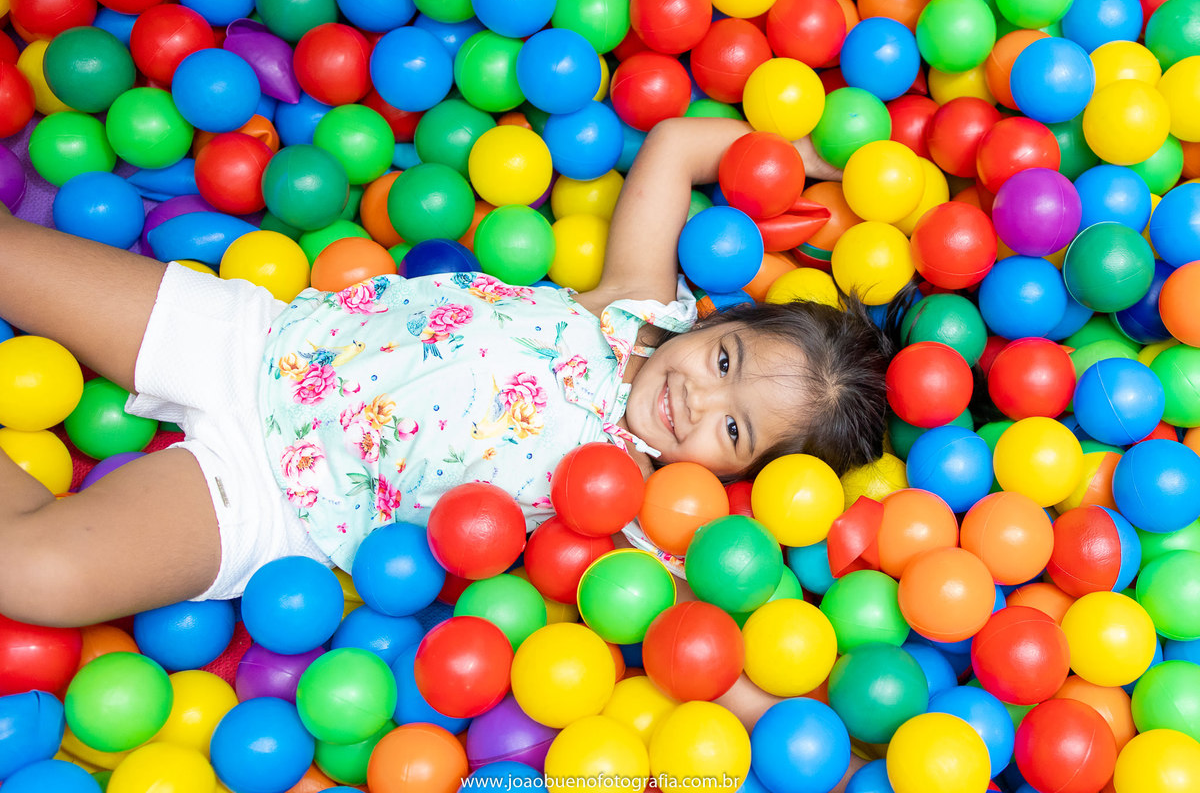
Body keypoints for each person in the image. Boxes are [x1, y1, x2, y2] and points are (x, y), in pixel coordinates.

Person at [0, 117, 893, 645]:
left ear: (736, 479)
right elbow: (673, 144)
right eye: (726, 361)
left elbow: (706, 647)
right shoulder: (633, 301)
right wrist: (798, 152)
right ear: (716, 319)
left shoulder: (638, 513)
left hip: (275, 499)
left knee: (39, 574)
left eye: (733, 431)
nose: (698, 397)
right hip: (258, 338)